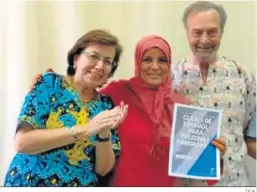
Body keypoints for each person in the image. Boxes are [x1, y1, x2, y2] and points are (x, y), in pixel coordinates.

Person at [29, 34, 226, 186]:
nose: (155, 67)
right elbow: (83, 96)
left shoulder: (184, 107)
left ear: (169, 64)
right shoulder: (117, 92)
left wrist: (215, 154)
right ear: (138, 62)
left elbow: (198, 167)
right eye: (147, 59)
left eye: (162, 60)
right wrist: (53, 83)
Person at [3, 29, 128, 187]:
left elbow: (103, 169)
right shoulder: (50, 84)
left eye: (108, 61)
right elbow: (22, 143)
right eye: (94, 56)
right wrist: (85, 129)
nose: (100, 66)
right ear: (76, 59)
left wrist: (103, 133)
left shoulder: (106, 105)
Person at [172, 1, 256, 186]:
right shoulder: (171, 78)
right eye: (197, 32)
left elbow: (252, 138)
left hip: (233, 184)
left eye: (212, 32)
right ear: (187, 32)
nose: (204, 40)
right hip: (184, 185)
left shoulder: (244, 76)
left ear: (221, 33)